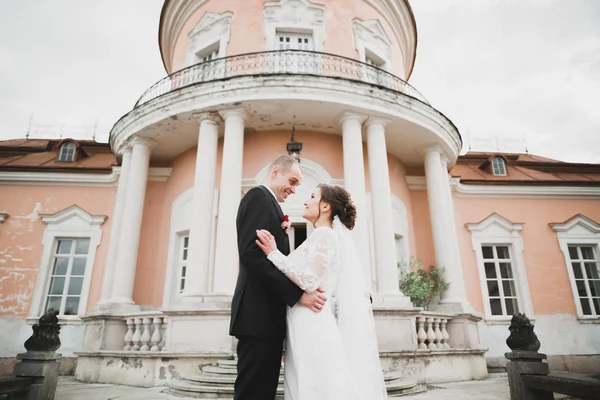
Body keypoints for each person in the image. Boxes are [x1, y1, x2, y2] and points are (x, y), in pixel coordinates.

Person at [256, 183, 388, 400]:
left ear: (325, 206)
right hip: (303, 319)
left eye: (312, 196)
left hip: (312, 321)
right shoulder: (319, 236)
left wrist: (273, 253)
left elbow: (310, 280)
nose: (305, 201)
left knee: (317, 385)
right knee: (308, 384)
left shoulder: (325, 235)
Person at [230, 155, 328, 400]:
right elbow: (252, 257)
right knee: (253, 391)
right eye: (292, 181)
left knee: (263, 390)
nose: (294, 189)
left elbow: (277, 261)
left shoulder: (271, 205)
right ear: (275, 171)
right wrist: (297, 296)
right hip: (257, 316)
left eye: (297, 185)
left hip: (267, 318)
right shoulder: (258, 198)